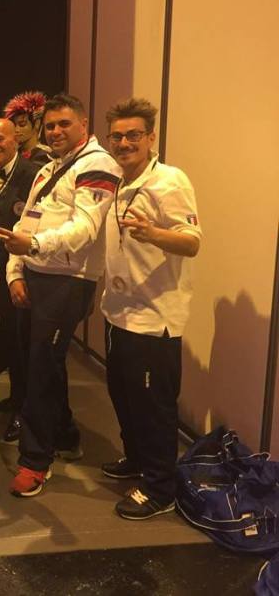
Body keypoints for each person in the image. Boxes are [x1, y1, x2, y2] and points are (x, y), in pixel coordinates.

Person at [0, 93, 120, 497]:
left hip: (68, 280)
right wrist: (16, 271)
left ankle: (35, 461)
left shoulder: (97, 164)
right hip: (37, 274)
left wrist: (33, 246)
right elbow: (26, 222)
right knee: (42, 362)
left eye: (64, 124)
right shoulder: (49, 167)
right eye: (50, 125)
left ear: (84, 125)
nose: (56, 131)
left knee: (41, 369)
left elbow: (85, 229)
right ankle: (65, 435)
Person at [100, 98, 201, 519]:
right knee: (123, 397)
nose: (124, 143)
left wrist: (153, 233)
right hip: (118, 313)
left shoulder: (170, 180)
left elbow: (192, 242)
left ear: (151, 137)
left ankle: (160, 488)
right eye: (117, 136)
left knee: (153, 407)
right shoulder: (121, 180)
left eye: (133, 135)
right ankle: (139, 460)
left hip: (153, 319)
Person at [0, 118, 40, 441]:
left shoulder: (33, 176)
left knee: (22, 344)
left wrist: (19, 274)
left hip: (18, 274)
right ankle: (16, 400)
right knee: (5, 338)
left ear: (16, 139)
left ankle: (24, 411)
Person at [3, 91, 52, 168]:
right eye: (14, 125)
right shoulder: (15, 153)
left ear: (37, 124)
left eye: (22, 124)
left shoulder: (44, 155)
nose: (16, 129)